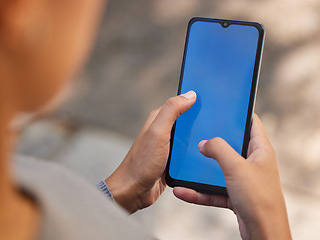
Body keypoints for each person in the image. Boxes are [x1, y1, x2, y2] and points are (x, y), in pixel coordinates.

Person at [0, 0, 292, 239]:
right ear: (21, 10)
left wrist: (120, 191)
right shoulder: (36, 175)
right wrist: (271, 227)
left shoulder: (20, 175)